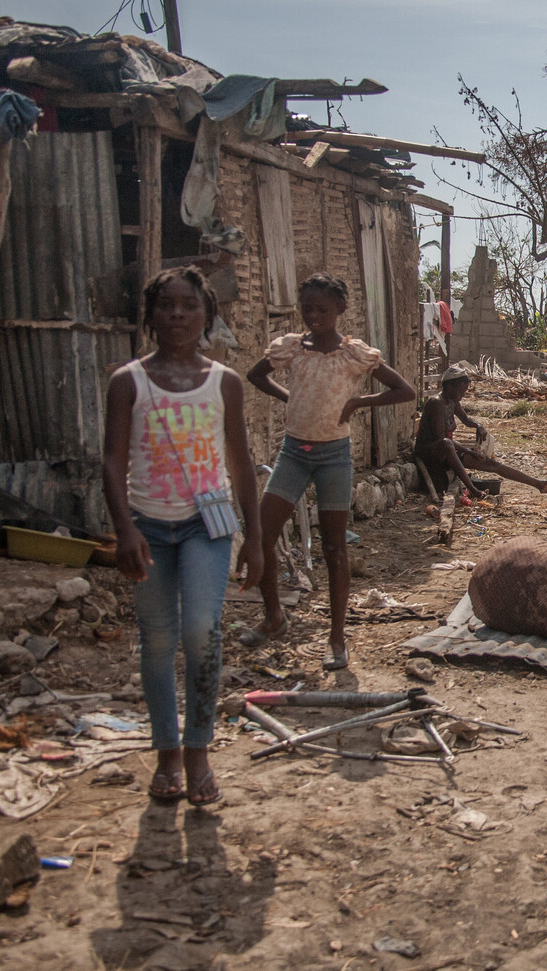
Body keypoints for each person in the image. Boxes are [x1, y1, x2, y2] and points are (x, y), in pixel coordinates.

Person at [102, 267, 263, 807]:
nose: (176, 314)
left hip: (207, 525)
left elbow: (240, 463)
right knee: (157, 641)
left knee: (201, 630)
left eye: (188, 306)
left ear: (206, 315)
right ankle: (166, 752)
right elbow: (112, 460)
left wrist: (257, 540)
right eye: (166, 305)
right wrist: (124, 529)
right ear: (150, 315)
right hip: (147, 525)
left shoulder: (226, 382)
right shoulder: (128, 381)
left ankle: (199, 749)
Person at [244, 273, 414, 670]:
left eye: (322, 309)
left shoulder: (354, 355)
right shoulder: (292, 349)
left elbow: (403, 390)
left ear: (340, 309)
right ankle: (274, 617)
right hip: (293, 453)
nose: (313, 316)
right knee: (262, 535)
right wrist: (291, 398)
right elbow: (256, 376)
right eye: (307, 309)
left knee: (334, 548)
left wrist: (357, 404)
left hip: (334, 456)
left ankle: (337, 639)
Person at [416, 366, 547, 502]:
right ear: (449, 387)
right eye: (461, 390)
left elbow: (466, 419)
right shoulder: (437, 403)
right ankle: (474, 490)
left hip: (447, 452)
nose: (463, 394)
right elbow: (441, 439)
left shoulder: (453, 401)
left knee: (492, 464)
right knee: (448, 444)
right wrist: (468, 451)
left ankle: (539, 484)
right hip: (430, 452)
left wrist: (479, 426)